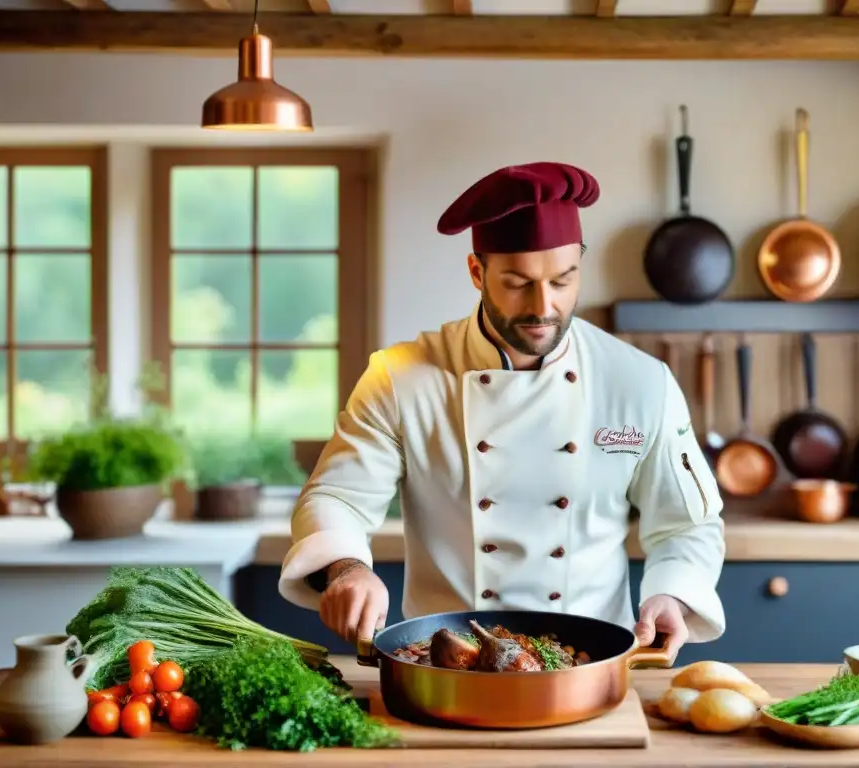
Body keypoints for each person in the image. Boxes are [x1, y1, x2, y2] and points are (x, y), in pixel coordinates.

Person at [279, 161, 726, 661]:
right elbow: (337, 495)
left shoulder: (639, 381)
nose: (544, 305)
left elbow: (687, 523)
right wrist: (347, 568)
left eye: (563, 279)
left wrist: (673, 594)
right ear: (477, 272)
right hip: (444, 664)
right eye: (517, 282)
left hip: (591, 663)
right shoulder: (401, 378)